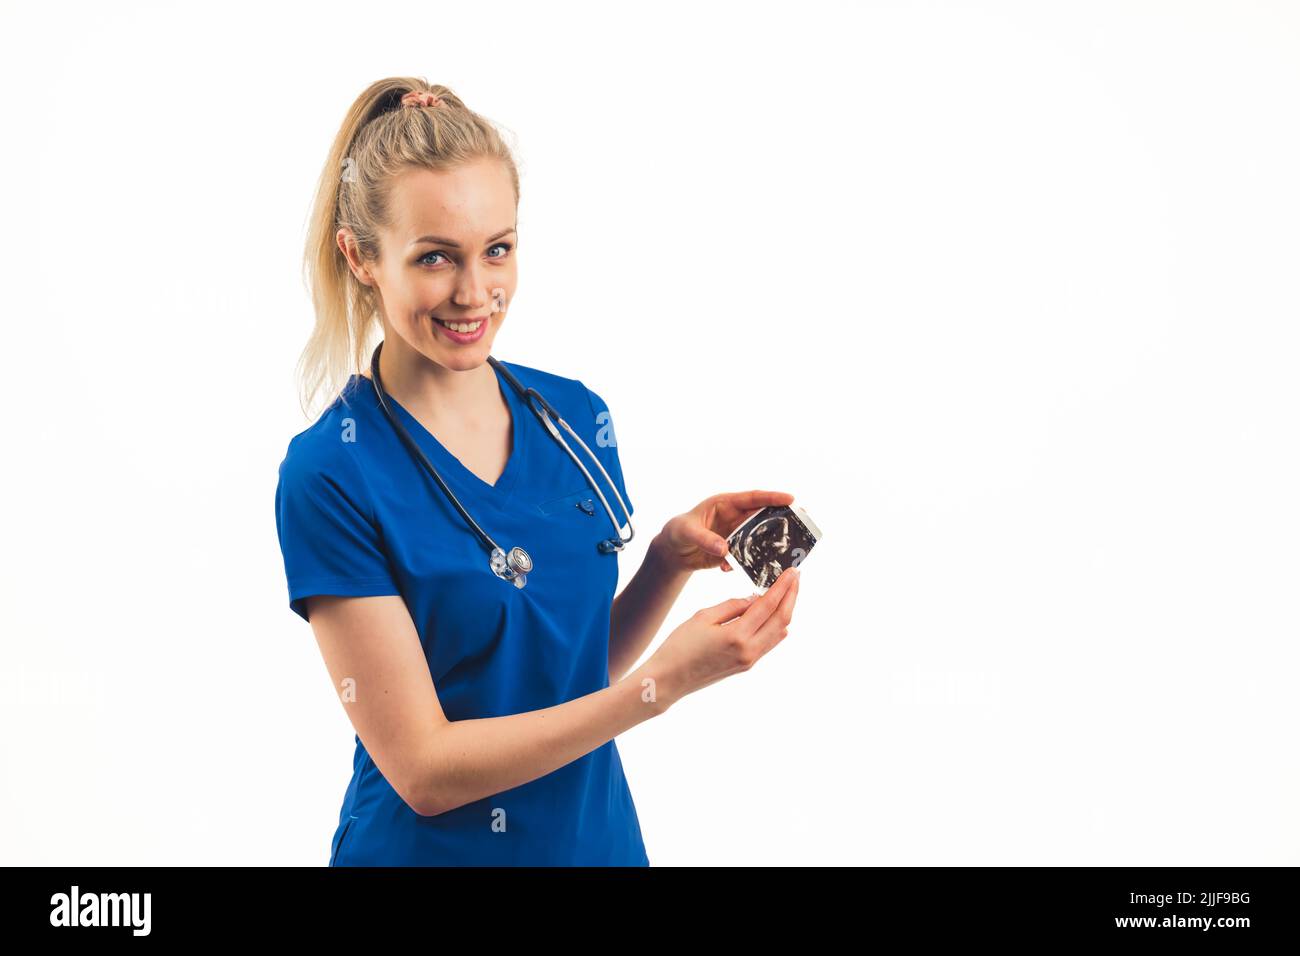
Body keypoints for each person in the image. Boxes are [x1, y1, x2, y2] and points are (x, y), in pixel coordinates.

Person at [274, 77, 801, 866]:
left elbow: (566, 675)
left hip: (596, 844)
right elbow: (423, 770)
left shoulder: (574, 418)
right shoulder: (332, 473)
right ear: (361, 258)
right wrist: (660, 688)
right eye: (434, 258)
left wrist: (665, 563)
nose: (474, 292)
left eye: (498, 248)